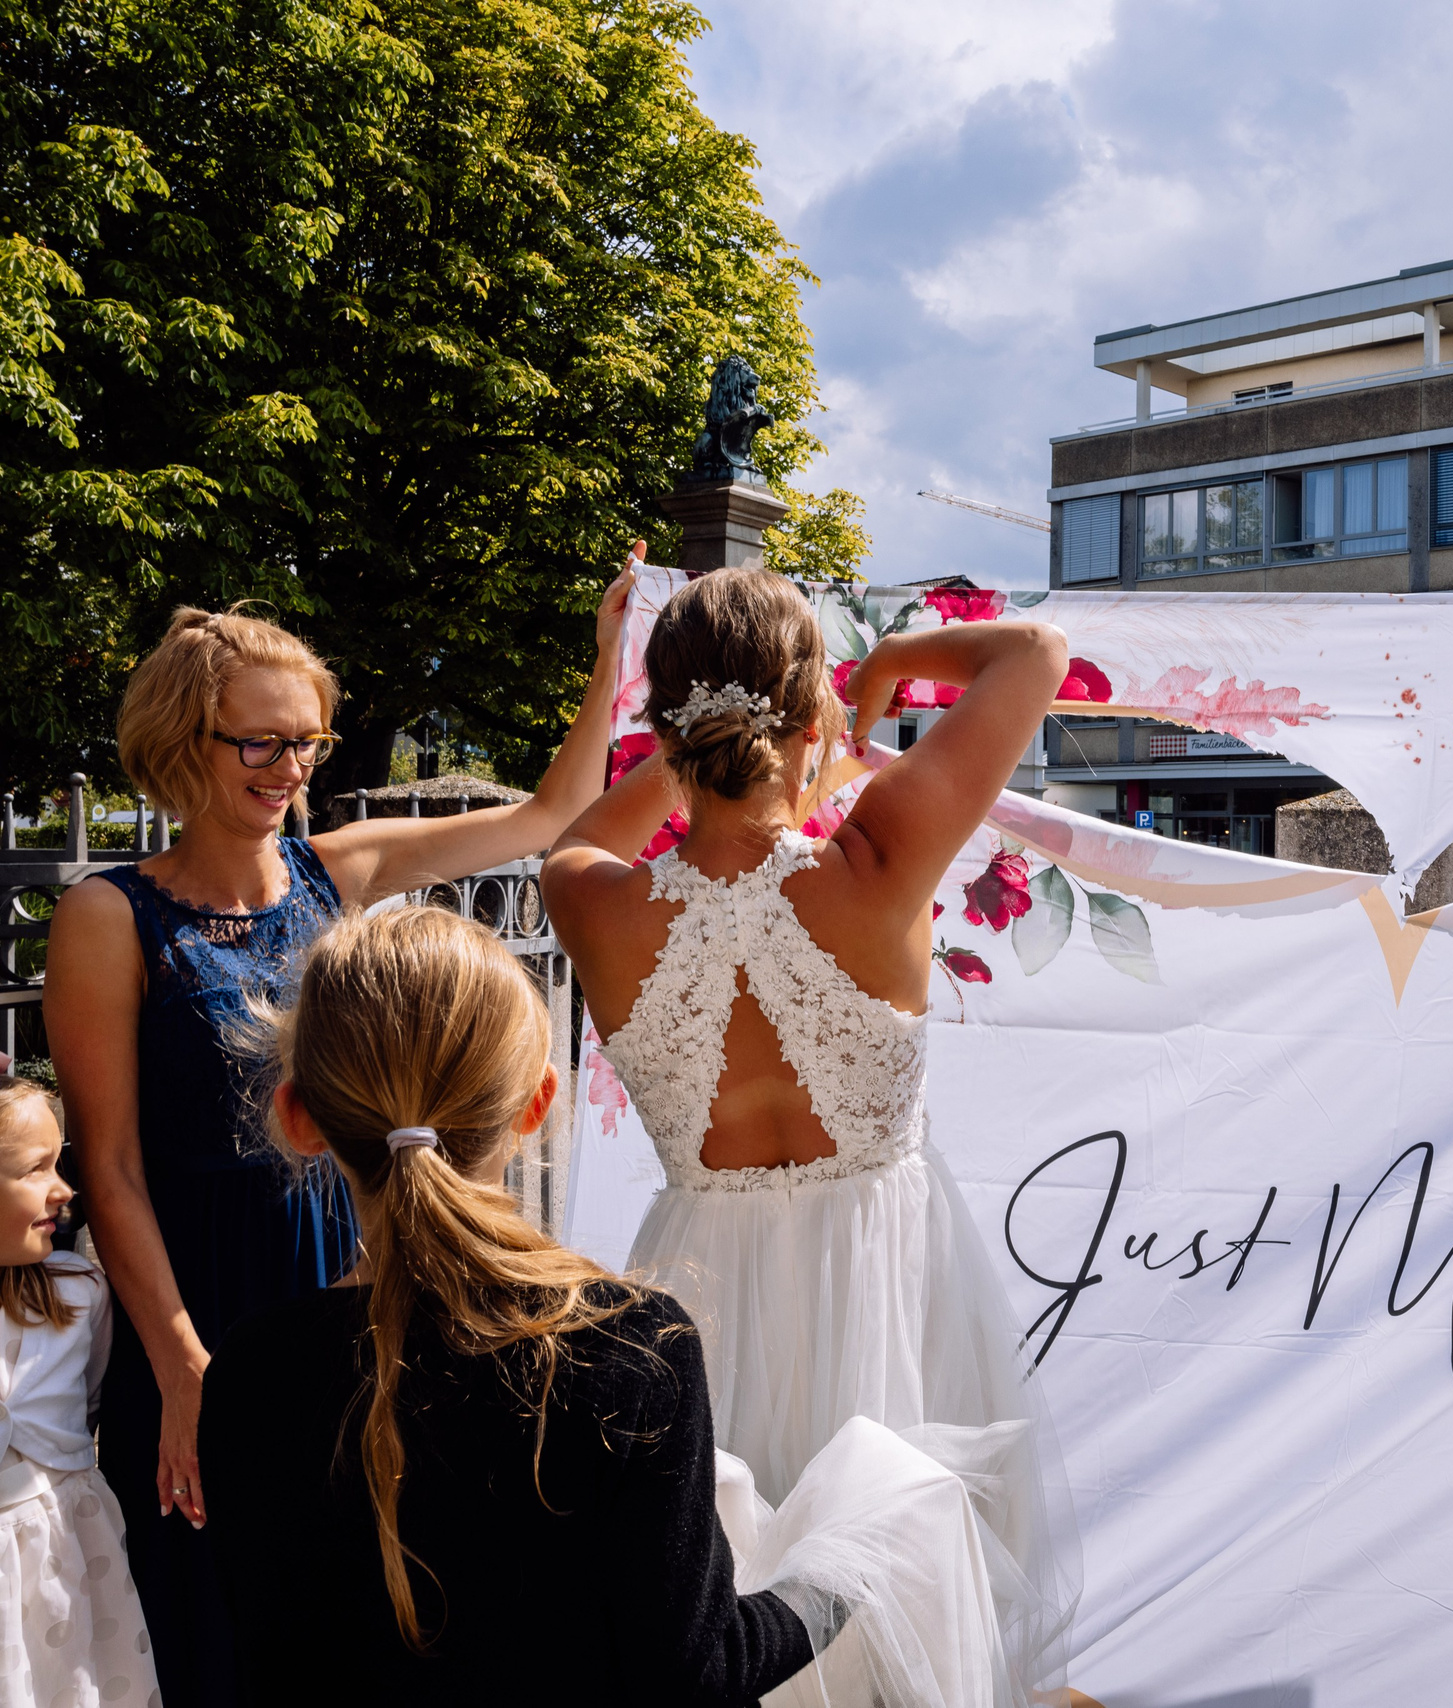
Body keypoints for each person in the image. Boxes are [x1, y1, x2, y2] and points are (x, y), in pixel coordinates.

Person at [42, 561, 635, 1703]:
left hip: (348, 1282)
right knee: (209, 1609)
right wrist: (181, 1371)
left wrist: (610, 658)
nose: (292, 767)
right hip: (195, 1292)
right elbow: (107, 1167)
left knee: (356, 1594)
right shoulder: (107, 915)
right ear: (181, 742)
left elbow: (548, 816)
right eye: (258, 743)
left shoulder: (337, 871)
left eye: (306, 740)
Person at [541, 568, 1079, 1704]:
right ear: (812, 712)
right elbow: (1033, 652)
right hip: (888, 1282)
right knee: (899, 1602)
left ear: (663, 727)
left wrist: (695, 761)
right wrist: (882, 669)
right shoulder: (878, 863)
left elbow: (587, 830)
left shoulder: (590, 898)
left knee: (718, 1609)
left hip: (700, 1291)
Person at [196, 905, 855, 1705]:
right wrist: (835, 1583)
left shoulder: (251, 1370)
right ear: (534, 1108)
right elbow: (696, 1670)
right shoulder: (630, 1345)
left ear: (298, 1117)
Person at [0, 1076, 160, 1708]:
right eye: (38, 1168)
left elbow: (88, 1400)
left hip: (68, 1563)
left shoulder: (80, 1293)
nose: (65, 1190)